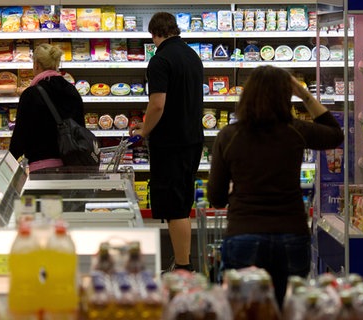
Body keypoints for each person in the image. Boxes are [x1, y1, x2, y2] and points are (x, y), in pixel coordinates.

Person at [207, 65, 344, 308]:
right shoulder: (295, 130)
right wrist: (305, 95)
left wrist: (239, 196)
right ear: (285, 96)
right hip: (291, 234)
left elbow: (216, 197)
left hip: (243, 234)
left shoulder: (229, 136)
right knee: (289, 310)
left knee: (245, 312)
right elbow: (335, 134)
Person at [129, 12, 204, 272]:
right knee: (181, 201)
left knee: (176, 208)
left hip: (171, 144)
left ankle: (183, 267)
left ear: (154, 34)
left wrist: (144, 131)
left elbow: (158, 105)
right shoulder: (192, 56)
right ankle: (182, 262)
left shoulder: (159, 60)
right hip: (191, 139)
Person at [9, 43, 85, 174]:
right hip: (72, 166)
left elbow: (20, 137)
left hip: (43, 169)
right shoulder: (72, 90)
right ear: (56, 65)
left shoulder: (31, 94)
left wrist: (9, 162)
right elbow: (81, 128)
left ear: (36, 65)